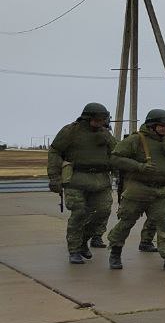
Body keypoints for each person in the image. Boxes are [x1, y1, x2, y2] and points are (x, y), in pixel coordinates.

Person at [106, 108, 165, 270]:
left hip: (161, 192)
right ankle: (115, 251)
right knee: (126, 222)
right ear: (152, 125)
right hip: (138, 189)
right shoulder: (136, 140)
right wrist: (139, 166)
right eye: (161, 126)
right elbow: (115, 158)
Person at [47, 102, 116, 263]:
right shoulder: (70, 131)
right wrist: (54, 177)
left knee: (102, 212)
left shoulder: (105, 134)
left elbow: (118, 153)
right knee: (79, 213)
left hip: (100, 180)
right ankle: (74, 250)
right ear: (87, 118)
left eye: (103, 120)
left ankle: (84, 240)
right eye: (98, 120)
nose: (101, 123)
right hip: (76, 179)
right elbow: (55, 151)